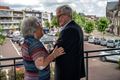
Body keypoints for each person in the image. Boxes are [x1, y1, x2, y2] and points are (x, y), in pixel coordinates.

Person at [55, 5, 86, 80]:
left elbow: (56, 51)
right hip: (73, 72)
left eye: (59, 16)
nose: (57, 19)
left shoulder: (69, 30)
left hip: (66, 74)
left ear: (66, 15)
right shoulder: (77, 27)